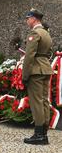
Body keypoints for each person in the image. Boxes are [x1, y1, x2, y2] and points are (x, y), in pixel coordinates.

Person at [22, 8, 53, 145]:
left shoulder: (34, 33)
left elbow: (29, 56)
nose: (27, 21)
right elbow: (49, 52)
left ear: (34, 19)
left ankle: (39, 134)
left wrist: (25, 74)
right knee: (44, 100)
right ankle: (44, 131)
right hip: (46, 68)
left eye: (28, 18)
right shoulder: (46, 33)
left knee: (37, 102)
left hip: (35, 70)